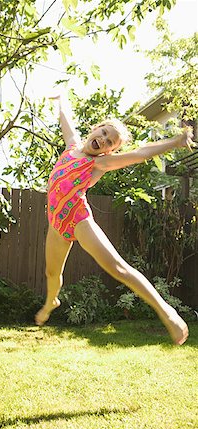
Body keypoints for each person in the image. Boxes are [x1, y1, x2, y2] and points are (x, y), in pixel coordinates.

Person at [35, 92, 194, 345]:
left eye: (110, 141)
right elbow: (66, 119)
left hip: (78, 218)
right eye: (104, 132)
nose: (104, 139)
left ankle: (167, 312)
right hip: (56, 224)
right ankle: (51, 301)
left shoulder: (98, 165)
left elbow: (141, 153)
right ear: (95, 129)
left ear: (110, 151)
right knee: (52, 273)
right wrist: (61, 99)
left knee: (118, 268)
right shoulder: (71, 147)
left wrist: (174, 142)